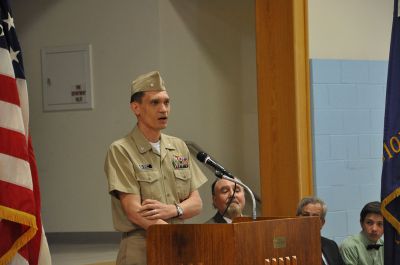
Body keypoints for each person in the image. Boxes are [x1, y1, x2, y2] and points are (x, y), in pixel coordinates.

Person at [104, 71, 208, 265]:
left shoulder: (178, 146)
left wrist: (172, 210)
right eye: (155, 103)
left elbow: (197, 204)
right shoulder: (121, 150)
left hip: (178, 245)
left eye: (167, 102)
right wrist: (174, 233)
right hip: (142, 247)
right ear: (136, 108)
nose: (163, 109)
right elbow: (134, 210)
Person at [296, 196, 344, 265]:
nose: (309, 220)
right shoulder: (289, 247)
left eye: (315, 217)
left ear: (322, 223)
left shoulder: (331, 245)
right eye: (305, 215)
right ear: (297, 219)